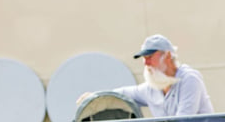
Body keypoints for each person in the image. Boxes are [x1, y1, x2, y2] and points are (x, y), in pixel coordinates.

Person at [80, 34, 213, 117]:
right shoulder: (152, 88)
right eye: (144, 58)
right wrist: (94, 97)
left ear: (167, 56)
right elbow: (121, 94)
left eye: (149, 57)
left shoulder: (189, 79)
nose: (146, 63)